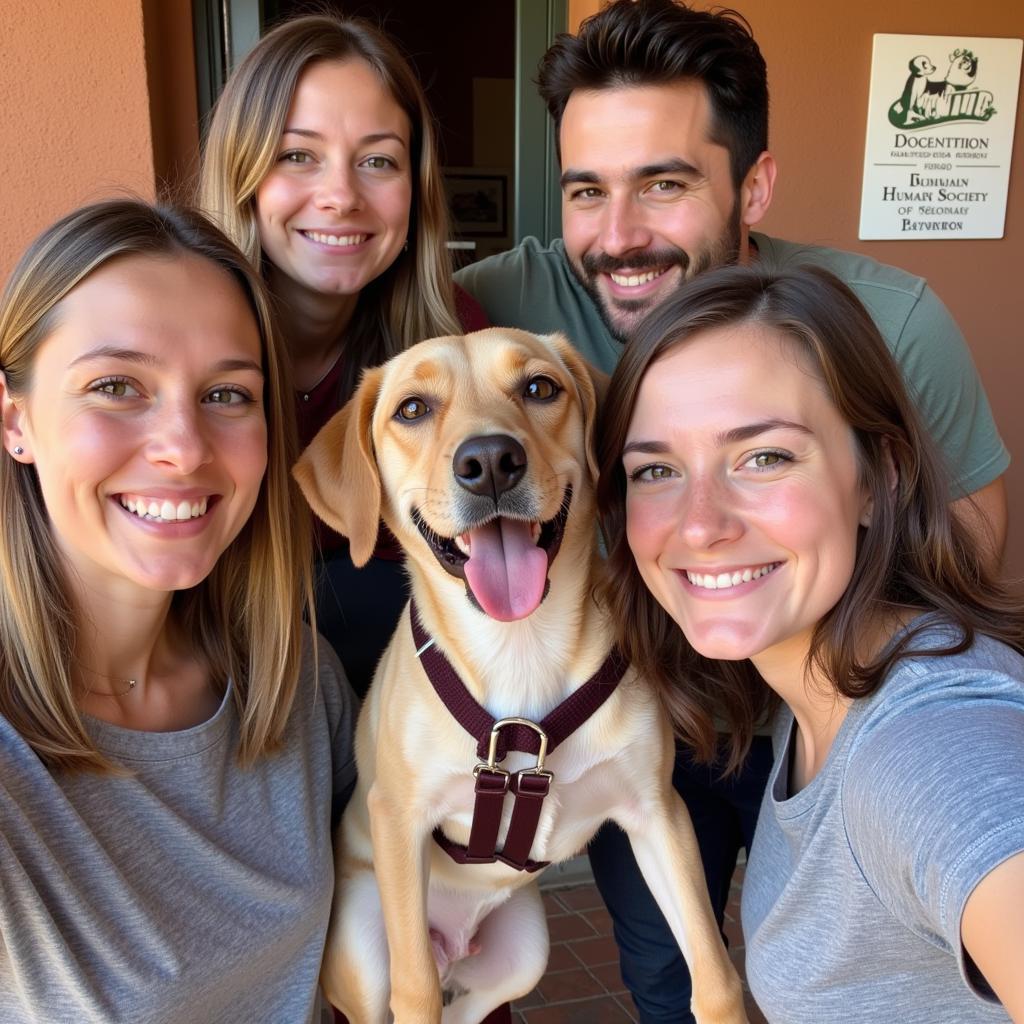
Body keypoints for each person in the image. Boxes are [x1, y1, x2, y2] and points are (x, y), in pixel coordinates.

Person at [454, 2, 1011, 1019]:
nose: (618, 238)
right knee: (689, 969)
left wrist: (859, 696)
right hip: (658, 722)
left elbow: (967, 535)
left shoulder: (887, 321)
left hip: (836, 705)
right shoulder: (504, 303)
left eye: (663, 185)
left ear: (751, 184)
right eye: (587, 191)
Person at [595, 261, 1024, 1023]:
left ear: (879, 475)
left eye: (764, 457)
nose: (700, 524)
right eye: (655, 468)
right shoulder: (818, 693)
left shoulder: (924, 741)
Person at [0, 199, 357, 1023]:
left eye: (228, 395)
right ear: (17, 421)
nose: (185, 447)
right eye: (116, 386)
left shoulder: (297, 682)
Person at [199, 13, 488, 696]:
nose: (340, 196)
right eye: (298, 154)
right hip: (219, 678)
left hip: (418, 701)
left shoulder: (452, 340)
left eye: (378, 160)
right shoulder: (176, 344)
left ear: (414, 188)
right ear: (243, 169)